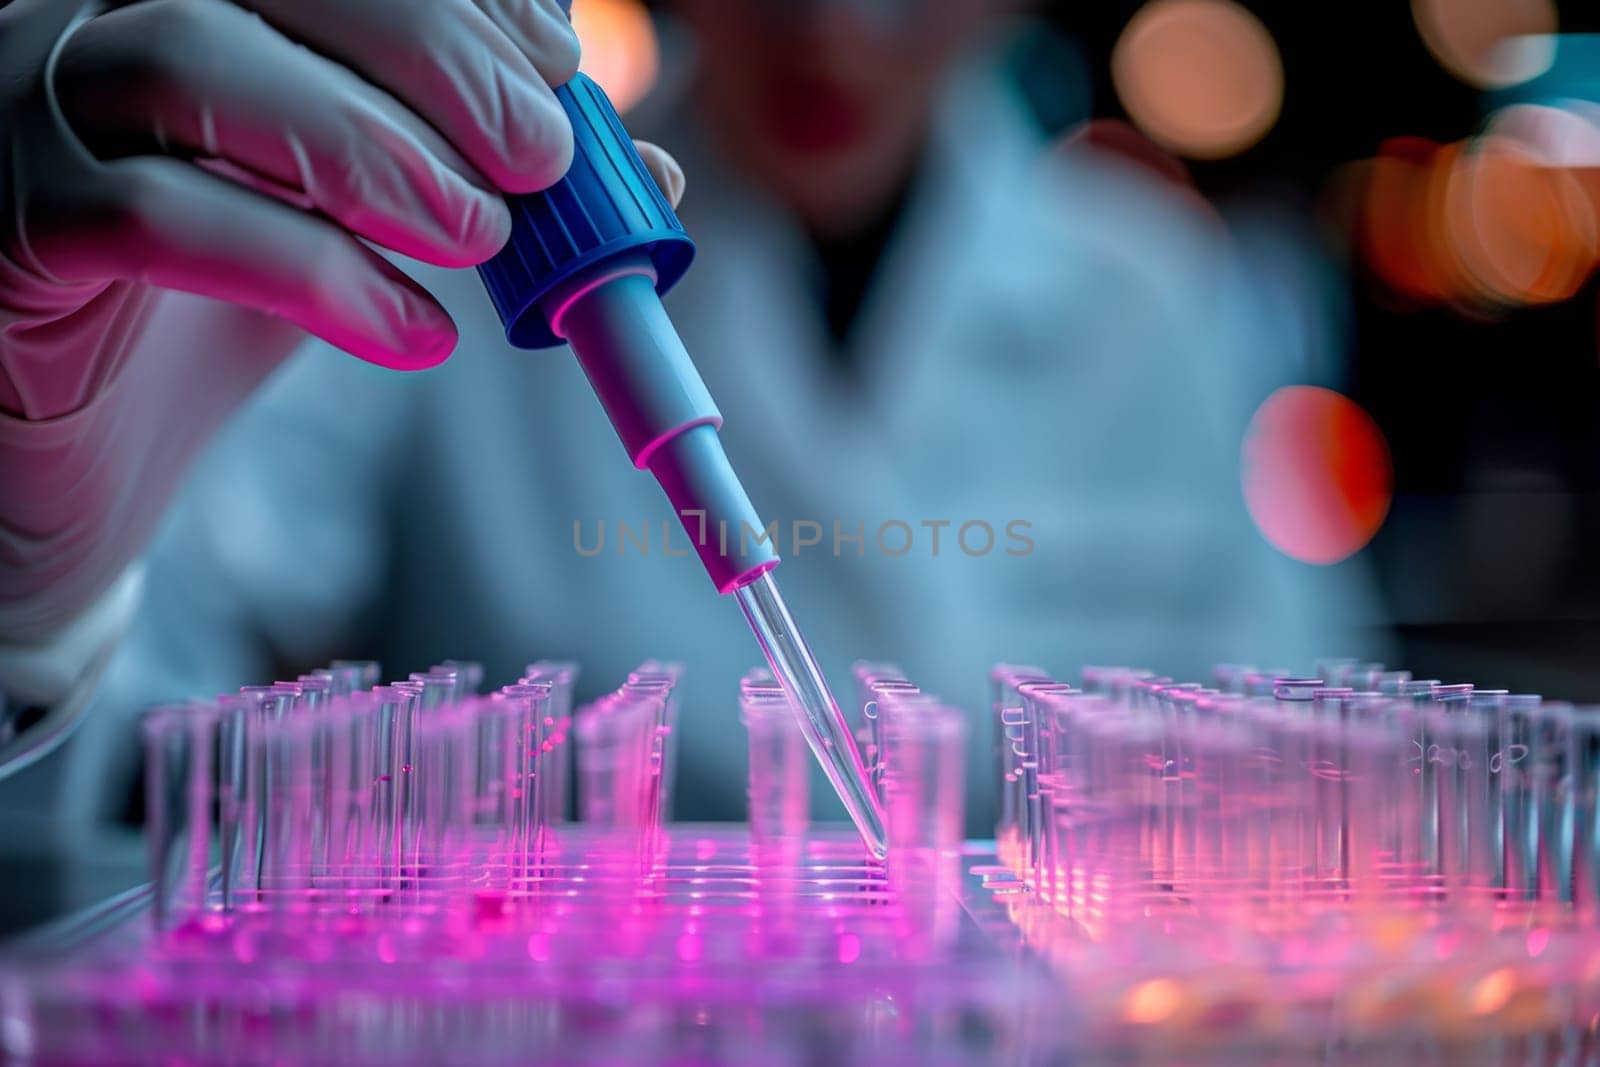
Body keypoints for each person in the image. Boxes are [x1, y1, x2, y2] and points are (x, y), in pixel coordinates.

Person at [0, 0, 1378, 858]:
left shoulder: (1151, 297)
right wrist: (34, 587)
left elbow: (1319, 792)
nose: (834, 30)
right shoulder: (449, 231)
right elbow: (105, 776)